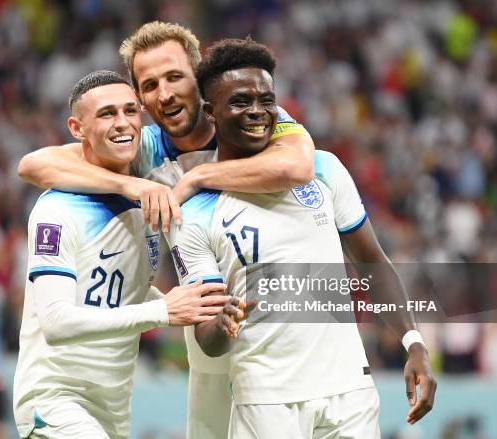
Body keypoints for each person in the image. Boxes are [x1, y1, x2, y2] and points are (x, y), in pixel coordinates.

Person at [17, 21, 316, 439]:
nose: (165, 93)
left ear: (200, 79)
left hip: (287, 332)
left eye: (175, 77)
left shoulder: (253, 116)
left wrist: (196, 180)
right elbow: (34, 165)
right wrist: (129, 183)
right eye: (150, 85)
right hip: (209, 325)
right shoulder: (142, 148)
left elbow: (297, 167)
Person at [168, 38, 437, 438]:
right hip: (266, 400)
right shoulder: (193, 211)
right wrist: (220, 324)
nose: (257, 111)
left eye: (266, 99)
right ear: (211, 112)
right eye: (240, 101)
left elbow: (372, 260)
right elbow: (209, 340)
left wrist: (413, 341)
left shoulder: (323, 169)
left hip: (350, 392)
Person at [12, 70, 230, 439]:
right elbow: (56, 322)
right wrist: (163, 311)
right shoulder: (58, 210)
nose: (122, 122)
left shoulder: (144, 205)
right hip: (55, 402)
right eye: (106, 113)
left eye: (130, 110)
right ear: (77, 128)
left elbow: (124, 291)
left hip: (112, 407)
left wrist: (192, 307)